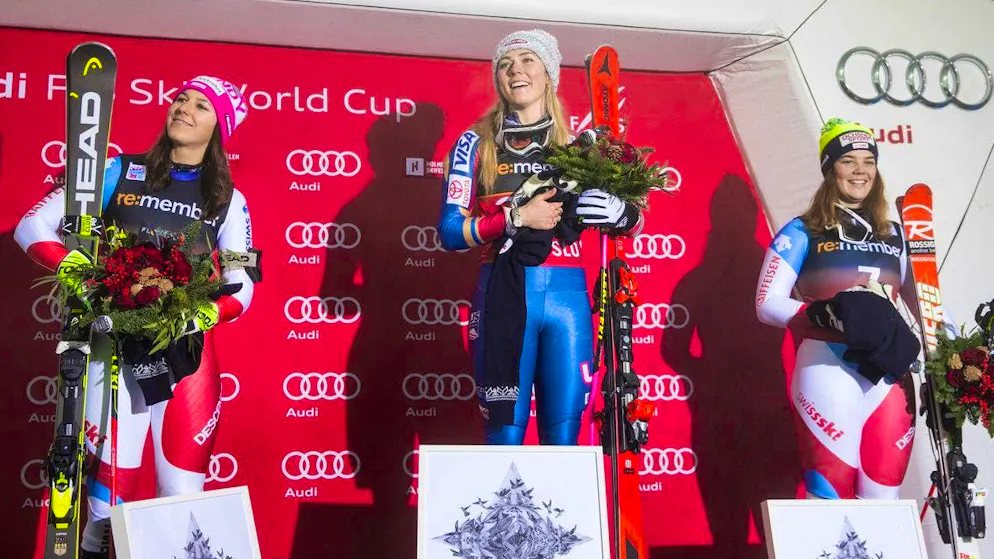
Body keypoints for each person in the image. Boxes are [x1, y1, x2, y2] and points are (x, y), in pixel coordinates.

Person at [14, 76, 255, 557]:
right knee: (105, 508)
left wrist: (196, 317)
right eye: (181, 98)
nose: (184, 108)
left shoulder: (228, 199)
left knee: (184, 501)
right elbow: (31, 225)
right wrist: (84, 275)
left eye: (201, 105)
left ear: (220, 129)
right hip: (114, 346)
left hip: (185, 359)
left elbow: (242, 280)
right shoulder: (117, 170)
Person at [437, 29, 643, 446]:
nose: (516, 71)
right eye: (505, 64)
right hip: (503, 294)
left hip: (568, 301)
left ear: (548, 73)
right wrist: (514, 217)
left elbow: (632, 224)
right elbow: (449, 232)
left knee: (566, 436)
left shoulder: (579, 146)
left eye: (528, 60)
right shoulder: (473, 145)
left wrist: (622, 214)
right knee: (504, 434)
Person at [755, 118, 919, 499]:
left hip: (889, 371)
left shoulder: (897, 235)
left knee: (883, 500)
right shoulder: (802, 230)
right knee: (831, 496)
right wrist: (817, 312)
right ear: (830, 169)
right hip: (828, 364)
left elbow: (927, 310)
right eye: (848, 161)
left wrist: (957, 355)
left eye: (868, 161)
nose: (860, 171)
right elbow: (765, 303)